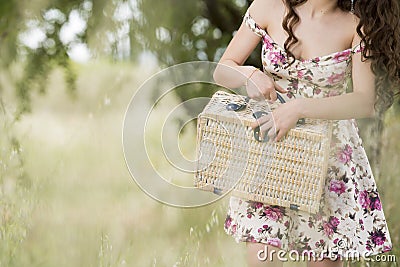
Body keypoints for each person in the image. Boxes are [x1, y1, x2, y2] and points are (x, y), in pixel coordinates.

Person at [213, 0, 400, 266]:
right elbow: (223, 69)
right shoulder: (268, 6)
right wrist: (250, 75)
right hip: (271, 151)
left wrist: (300, 107)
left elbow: (364, 102)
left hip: (330, 158)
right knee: (261, 259)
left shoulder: (356, 26)